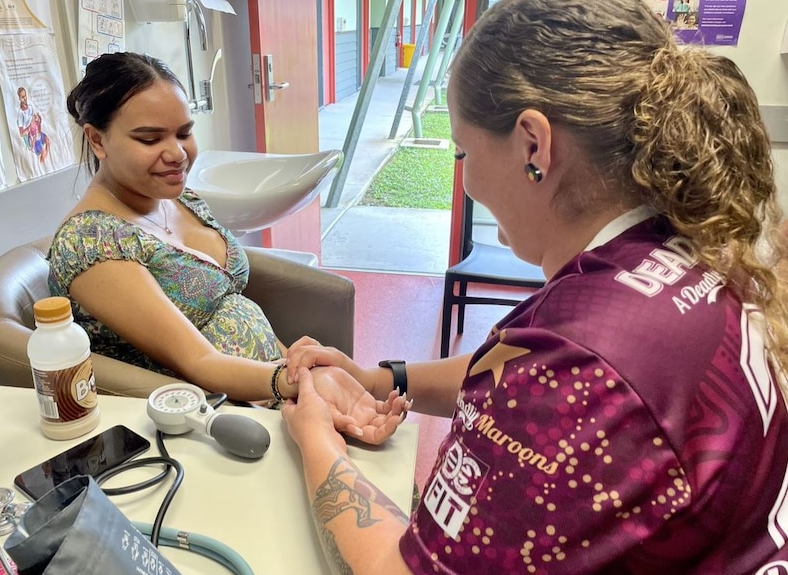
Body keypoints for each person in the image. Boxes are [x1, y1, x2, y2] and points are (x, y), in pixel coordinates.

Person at [280, 0, 788, 573]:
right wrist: (377, 380)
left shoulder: (587, 364)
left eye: (464, 151)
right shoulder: (682, 251)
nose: (465, 177)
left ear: (533, 146)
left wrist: (315, 436)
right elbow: (515, 369)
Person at [49, 52, 331, 404]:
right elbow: (199, 360)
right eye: (150, 139)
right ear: (97, 140)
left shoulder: (181, 200)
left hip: (269, 391)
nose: (178, 154)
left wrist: (296, 364)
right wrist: (299, 382)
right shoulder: (91, 242)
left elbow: (234, 303)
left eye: (184, 133)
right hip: (212, 420)